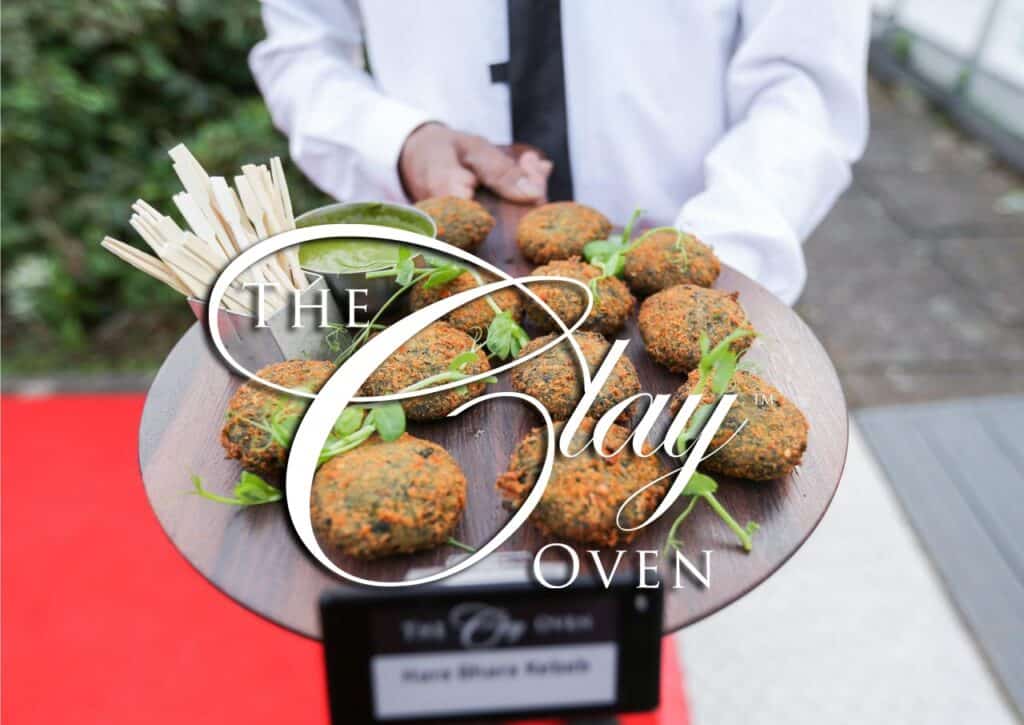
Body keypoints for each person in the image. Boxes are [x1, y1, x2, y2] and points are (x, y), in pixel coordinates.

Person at [250, 1, 870, 304]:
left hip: (700, 258)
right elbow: (303, 51)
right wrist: (396, 139)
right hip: (433, 280)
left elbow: (804, 83)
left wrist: (720, 258)